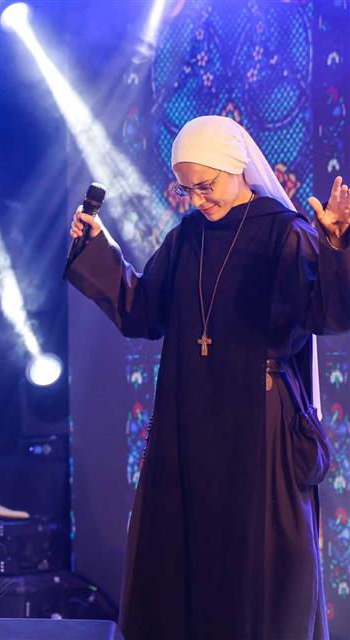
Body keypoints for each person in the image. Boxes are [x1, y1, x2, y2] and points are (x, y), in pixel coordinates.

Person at [66, 116, 350, 640]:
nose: (197, 200)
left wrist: (335, 247)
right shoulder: (185, 239)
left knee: (257, 576)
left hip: (260, 426)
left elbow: (327, 314)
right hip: (190, 422)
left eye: (206, 185)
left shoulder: (284, 232)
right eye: (186, 189)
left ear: (235, 166)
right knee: (186, 565)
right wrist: (98, 248)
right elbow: (142, 310)